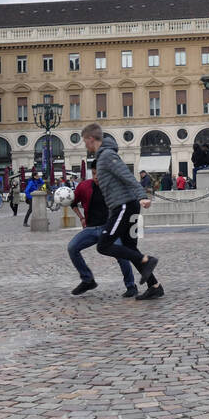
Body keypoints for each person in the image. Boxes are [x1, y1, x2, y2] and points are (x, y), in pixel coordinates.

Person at [82, 124, 163, 299]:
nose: (85, 145)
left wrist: (141, 195)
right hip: (123, 205)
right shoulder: (103, 155)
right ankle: (155, 286)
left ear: (90, 139)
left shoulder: (107, 156)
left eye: (84, 141)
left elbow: (127, 176)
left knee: (104, 245)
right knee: (129, 248)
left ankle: (147, 260)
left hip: (124, 205)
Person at [67, 173, 137, 298]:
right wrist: (81, 218)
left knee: (122, 255)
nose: (96, 176)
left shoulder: (113, 188)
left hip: (109, 229)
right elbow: (72, 202)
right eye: (94, 173)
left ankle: (131, 286)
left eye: (99, 174)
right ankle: (88, 280)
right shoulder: (84, 186)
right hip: (91, 229)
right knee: (72, 247)